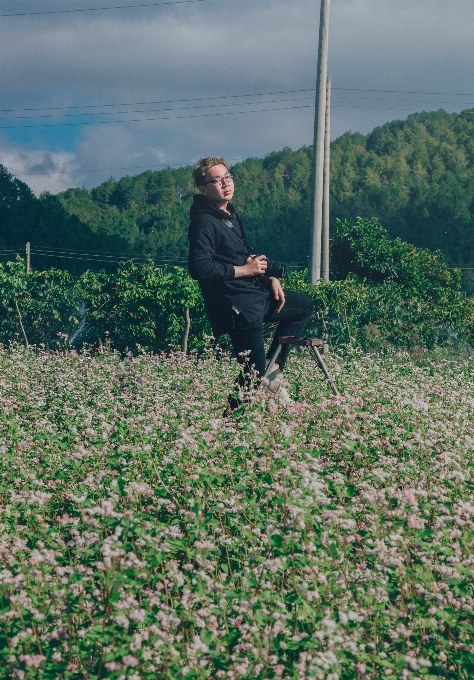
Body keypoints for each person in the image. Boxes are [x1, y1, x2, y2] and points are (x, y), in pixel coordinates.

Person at [188, 156, 314, 409]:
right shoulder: (204, 221)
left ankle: (274, 367)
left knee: (303, 305)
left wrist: (269, 278)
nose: (226, 183)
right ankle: (227, 425)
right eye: (217, 180)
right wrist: (244, 270)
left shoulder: (228, 215)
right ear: (203, 189)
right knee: (252, 374)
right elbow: (199, 267)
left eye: (228, 176)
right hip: (236, 306)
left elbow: (245, 257)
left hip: (256, 295)